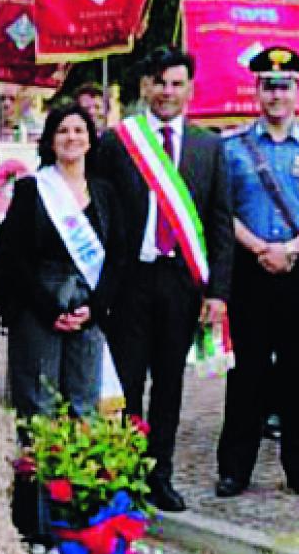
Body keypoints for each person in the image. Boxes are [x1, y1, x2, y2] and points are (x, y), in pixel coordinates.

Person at [91, 47, 233, 513]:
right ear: (145, 87)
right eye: (159, 83)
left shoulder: (209, 148)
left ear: (190, 89)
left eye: (176, 83)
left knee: (170, 386)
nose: (167, 92)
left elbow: (219, 224)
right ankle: (124, 474)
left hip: (182, 283)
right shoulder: (117, 143)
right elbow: (99, 215)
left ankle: (161, 476)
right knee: (126, 384)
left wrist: (218, 294)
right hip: (130, 281)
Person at [216, 47, 299, 500]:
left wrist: (289, 249)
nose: (276, 95)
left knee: (298, 372)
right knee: (247, 371)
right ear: (256, 91)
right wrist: (260, 248)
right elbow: (222, 210)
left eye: (284, 86)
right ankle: (235, 469)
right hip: (250, 272)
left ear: (298, 91)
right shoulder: (231, 148)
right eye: (268, 86)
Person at [0, 102, 125, 419]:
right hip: (39, 304)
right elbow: (12, 256)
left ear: (90, 139)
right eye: (63, 130)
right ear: (50, 139)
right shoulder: (31, 190)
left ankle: (80, 469)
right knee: (39, 403)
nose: (71, 137)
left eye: (79, 130)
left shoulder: (105, 192)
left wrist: (96, 306)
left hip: (88, 303)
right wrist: (49, 310)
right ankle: (37, 469)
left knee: (85, 403)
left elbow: (118, 256)